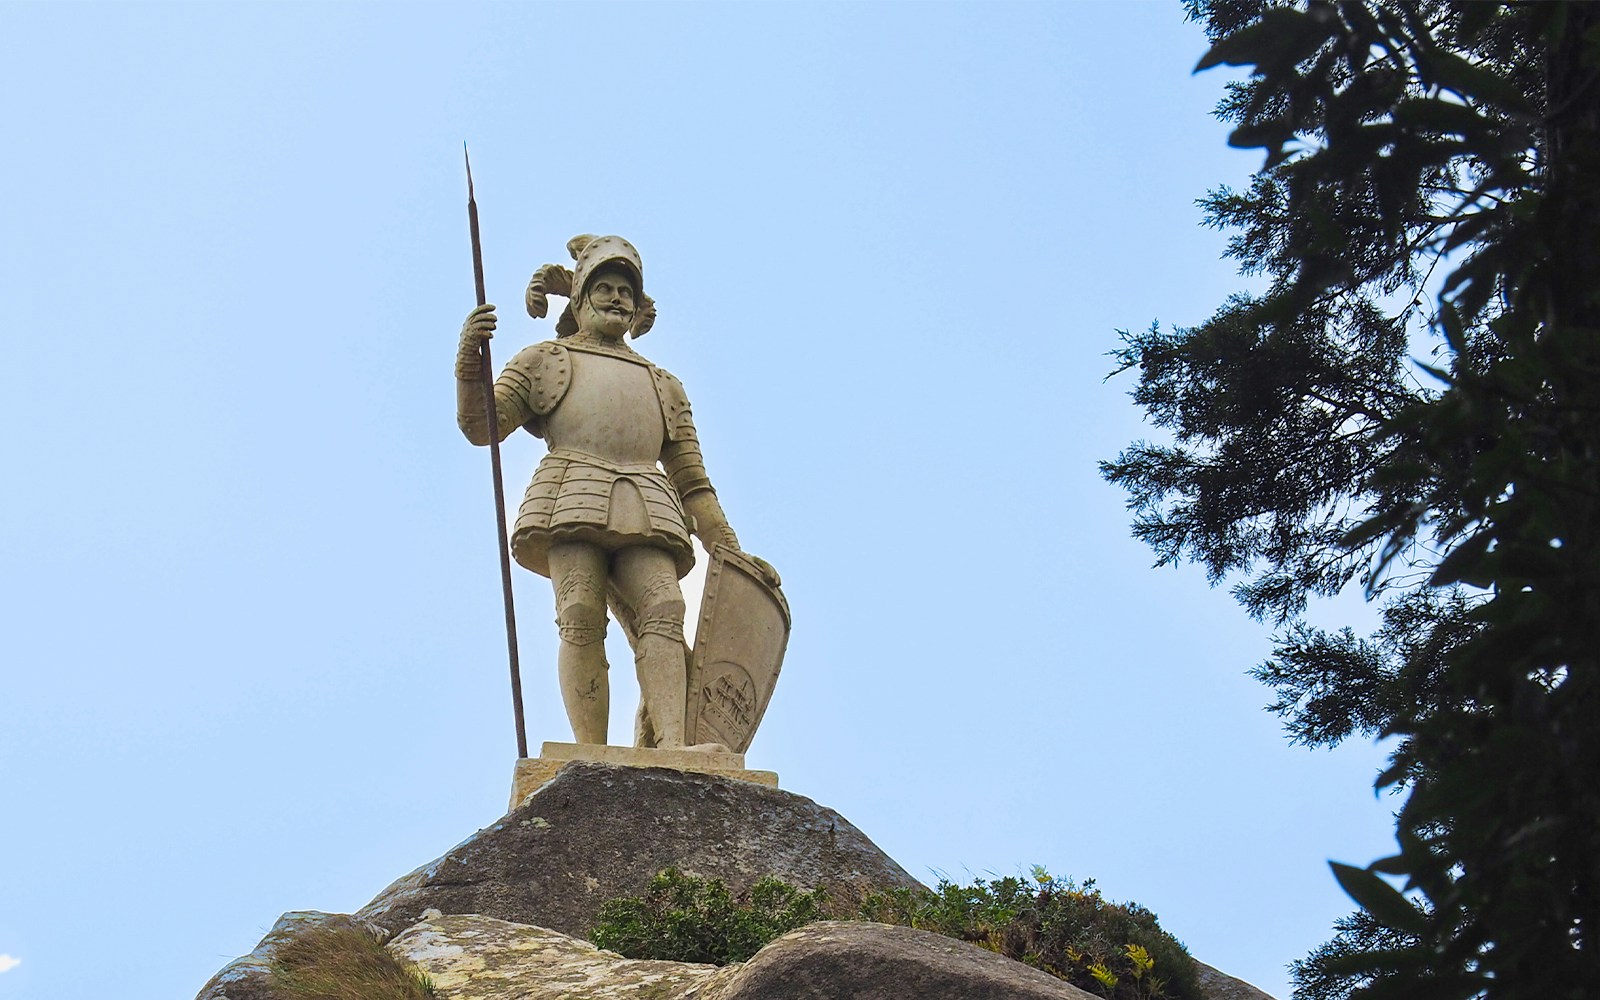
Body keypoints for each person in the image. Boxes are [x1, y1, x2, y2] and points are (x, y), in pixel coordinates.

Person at [455, 234, 751, 750]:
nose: (616, 298)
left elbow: (692, 482)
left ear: (638, 307)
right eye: (605, 287)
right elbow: (483, 424)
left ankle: (674, 746)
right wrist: (469, 363)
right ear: (579, 297)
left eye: (626, 291)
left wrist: (725, 543)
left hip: (648, 502)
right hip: (571, 492)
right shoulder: (546, 360)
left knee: (664, 608)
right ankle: (590, 747)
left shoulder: (664, 385)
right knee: (580, 613)